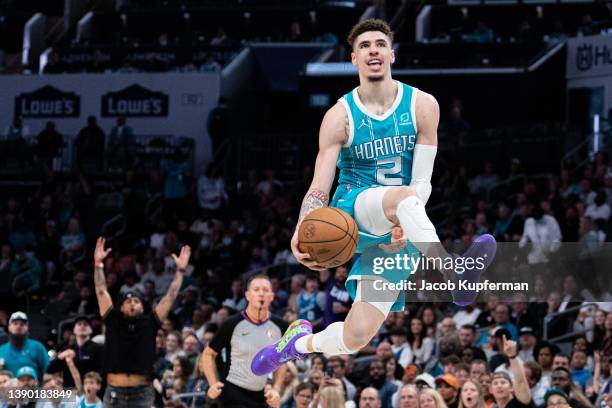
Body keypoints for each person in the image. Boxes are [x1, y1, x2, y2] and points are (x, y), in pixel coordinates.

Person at [252, 18, 497, 377]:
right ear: (354, 58)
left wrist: (404, 219)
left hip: (404, 217)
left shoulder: (424, 105)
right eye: (364, 46)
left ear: (392, 54)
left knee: (355, 337)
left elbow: (422, 181)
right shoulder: (339, 115)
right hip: (354, 210)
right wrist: (304, 224)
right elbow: (320, 183)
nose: (373, 51)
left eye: (380, 44)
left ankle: (294, 345)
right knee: (401, 197)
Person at [93, 237, 190, 407]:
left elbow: (170, 297)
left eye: (136, 301)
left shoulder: (150, 321)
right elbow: (101, 290)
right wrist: (98, 264)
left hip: (142, 392)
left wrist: (180, 272)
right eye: (128, 301)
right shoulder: (113, 319)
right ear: (120, 307)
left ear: (143, 308)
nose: (132, 303)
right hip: (114, 391)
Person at [200, 274, 286, 408]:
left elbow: (281, 362)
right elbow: (208, 354)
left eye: (265, 290)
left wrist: (276, 389)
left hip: (261, 395)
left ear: (272, 296)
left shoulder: (281, 326)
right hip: (232, 392)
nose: (261, 293)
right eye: (256, 289)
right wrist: (212, 383)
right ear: (247, 295)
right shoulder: (232, 323)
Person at [0, 312, 49, 383]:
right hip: (7, 392)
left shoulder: (37, 347)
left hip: (33, 391)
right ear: (9, 327)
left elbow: (48, 373)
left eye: (22, 324)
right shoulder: (1, 350)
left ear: (27, 327)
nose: (18, 326)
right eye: (15, 323)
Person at [488, 336, 532, 408]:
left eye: (503, 382)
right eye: (495, 383)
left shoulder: (520, 402)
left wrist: (512, 356)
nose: (499, 386)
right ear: (490, 389)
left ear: (512, 387)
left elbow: (520, 382)